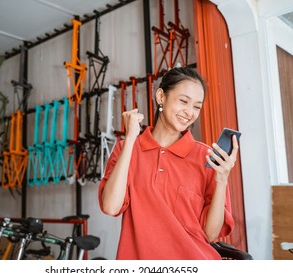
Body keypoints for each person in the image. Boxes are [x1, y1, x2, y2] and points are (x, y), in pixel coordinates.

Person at [98, 66, 239, 260]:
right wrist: (131, 138)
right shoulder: (127, 149)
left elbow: (211, 235)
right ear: (161, 97)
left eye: (197, 106)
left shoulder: (206, 156)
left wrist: (222, 180)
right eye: (183, 101)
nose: (189, 112)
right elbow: (111, 207)